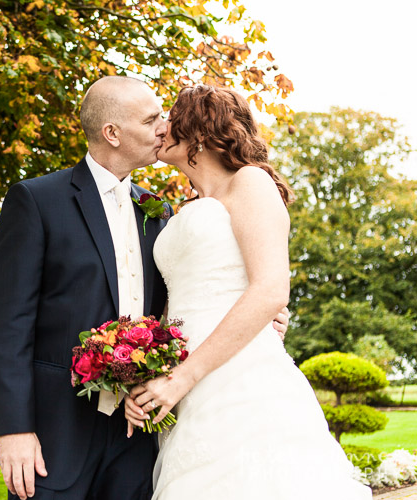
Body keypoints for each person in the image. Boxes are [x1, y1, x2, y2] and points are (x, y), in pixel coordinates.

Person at [0, 77, 289, 500]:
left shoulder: (161, 213)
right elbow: (5, 323)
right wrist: (14, 427)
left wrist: (261, 313)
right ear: (113, 133)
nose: (164, 127)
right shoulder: (36, 201)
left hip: (141, 429)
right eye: (152, 120)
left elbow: (184, 294)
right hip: (57, 432)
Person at [124, 85, 371, 499]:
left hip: (240, 379)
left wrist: (181, 378)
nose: (162, 128)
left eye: (171, 117)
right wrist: (152, 372)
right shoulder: (183, 209)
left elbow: (271, 289)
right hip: (185, 387)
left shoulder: (250, 182)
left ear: (199, 131)